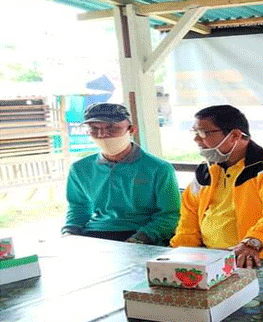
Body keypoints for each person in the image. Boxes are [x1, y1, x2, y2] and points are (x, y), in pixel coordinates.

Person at [170, 105, 263, 268]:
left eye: (203, 133)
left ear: (235, 135)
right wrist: (180, 255)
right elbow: (188, 221)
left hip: (262, 259)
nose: (197, 140)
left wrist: (253, 242)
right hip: (213, 261)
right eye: (195, 133)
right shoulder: (206, 170)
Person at [62, 103, 180, 245]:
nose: (102, 135)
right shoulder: (80, 168)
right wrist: (70, 232)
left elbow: (170, 215)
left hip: (141, 234)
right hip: (95, 233)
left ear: (132, 130)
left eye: (112, 128)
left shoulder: (158, 168)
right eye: (94, 129)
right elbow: (78, 208)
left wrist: (141, 238)